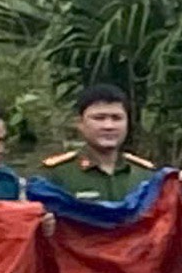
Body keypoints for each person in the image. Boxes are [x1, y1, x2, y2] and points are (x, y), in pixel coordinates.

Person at [38, 82, 169, 200]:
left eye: (116, 118)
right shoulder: (56, 174)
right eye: (99, 118)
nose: (109, 126)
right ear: (80, 123)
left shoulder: (145, 175)